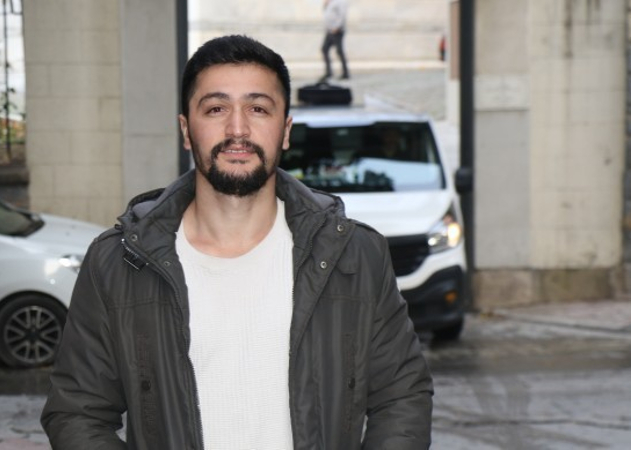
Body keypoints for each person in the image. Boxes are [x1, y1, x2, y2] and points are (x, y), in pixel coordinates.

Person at [41, 34, 433, 449]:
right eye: (216, 108)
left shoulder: (355, 256)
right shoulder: (117, 264)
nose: (238, 129)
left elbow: (402, 396)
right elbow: (77, 412)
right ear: (186, 130)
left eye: (258, 108)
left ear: (285, 130)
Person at [321, 0, 350, 81]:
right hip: (330, 30)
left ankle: (345, 73)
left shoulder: (340, 2)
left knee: (339, 51)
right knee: (324, 49)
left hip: (337, 30)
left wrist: (337, 26)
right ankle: (328, 72)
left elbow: (342, 15)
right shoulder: (330, 2)